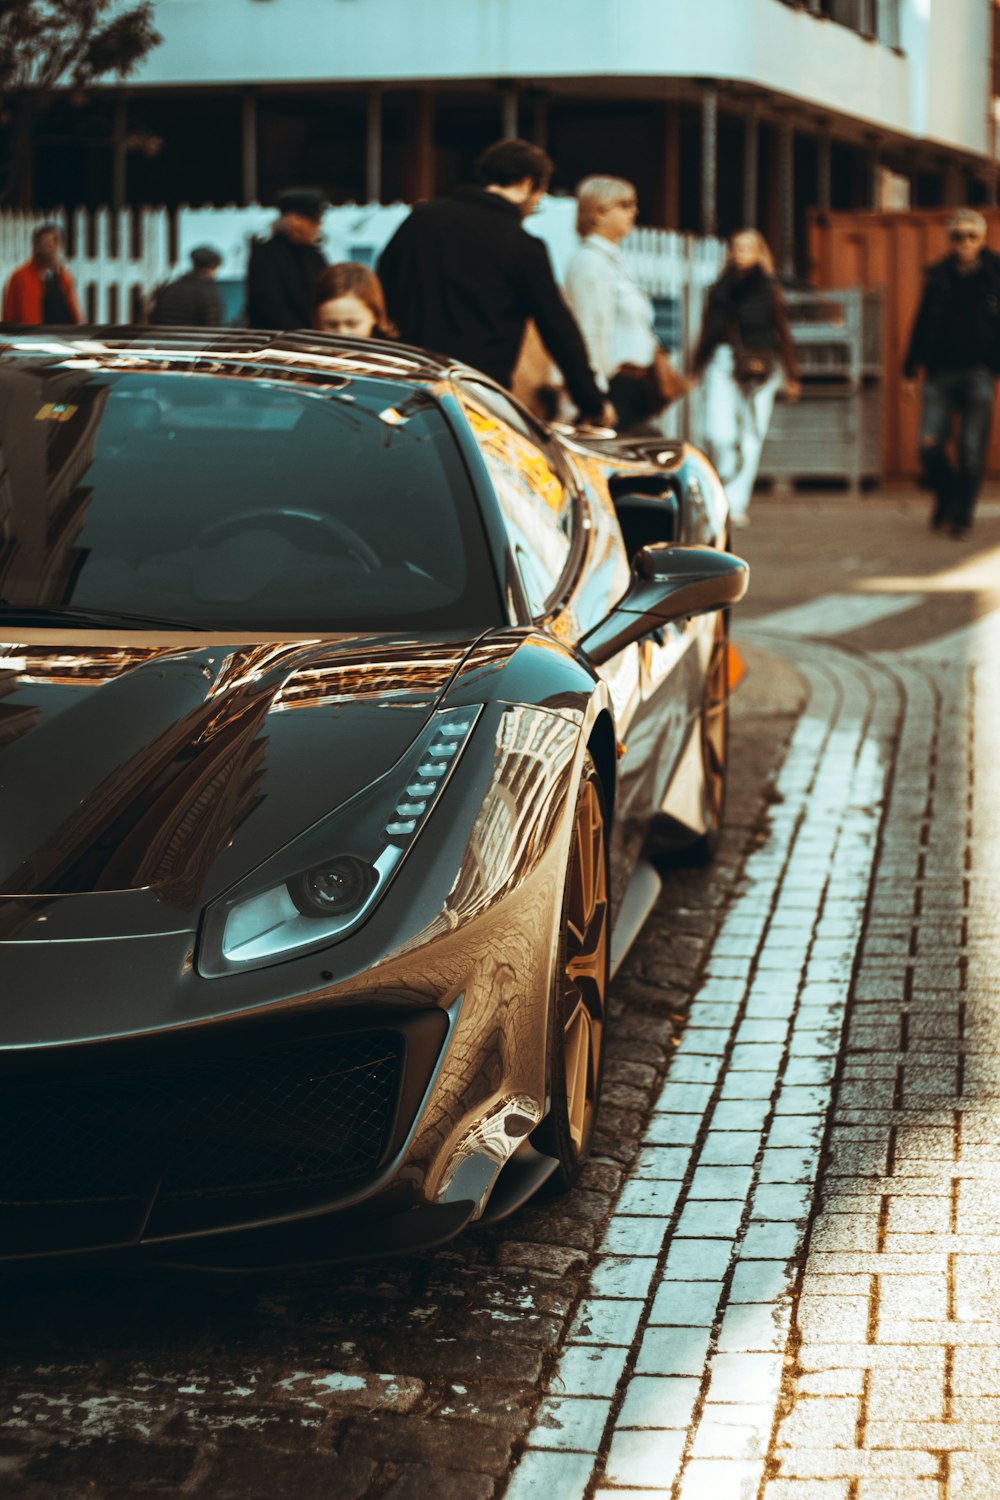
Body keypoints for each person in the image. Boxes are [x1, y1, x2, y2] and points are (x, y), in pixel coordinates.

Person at [377, 138, 610, 425]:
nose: (536, 203)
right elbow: (557, 326)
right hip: (478, 392)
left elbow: (383, 282)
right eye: (540, 194)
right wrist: (592, 401)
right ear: (527, 183)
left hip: (411, 383)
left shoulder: (423, 219)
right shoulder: (523, 246)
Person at [691, 229, 800, 527]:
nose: (740, 251)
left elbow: (782, 331)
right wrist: (694, 368)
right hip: (723, 361)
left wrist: (792, 374)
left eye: (747, 246)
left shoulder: (769, 288)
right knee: (718, 433)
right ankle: (726, 477)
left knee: (752, 435)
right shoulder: (718, 288)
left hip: (760, 367)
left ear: (759, 251)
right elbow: (707, 331)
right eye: (736, 246)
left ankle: (735, 502)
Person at [564, 174, 688, 435]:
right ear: (598, 213)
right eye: (625, 205)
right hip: (612, 387)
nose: (634, 211)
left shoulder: (614, 261)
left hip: (633, 387)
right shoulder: (590, 263)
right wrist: (594, 398)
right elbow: (588, 330)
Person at [902, 208, 1000, 539]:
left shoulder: (996, 274)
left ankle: (962, 515)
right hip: (939, 374)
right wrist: (909, 371)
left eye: (972, 236)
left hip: (979, 374)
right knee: (928, 445)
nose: (965, 243)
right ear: (950, 239)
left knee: (972, 450)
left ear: (983, 238)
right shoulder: (939, 275)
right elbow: (921, 323)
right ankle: (947, 493)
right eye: (959, 236)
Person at [246, 187, 328, 331]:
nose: (318, 227)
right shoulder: (267, 255)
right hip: (281, 343)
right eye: (314, 221)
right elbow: (270, 305)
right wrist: (302, 336)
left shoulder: (315, 255)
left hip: (312, 339)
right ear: (295, 220)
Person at [2, 223, 82, 326]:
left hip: (62, 337)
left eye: (52, 243)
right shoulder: (20, 277)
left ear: (60, 247)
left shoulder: (64, 277)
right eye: (44, 243)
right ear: (35, 246)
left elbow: (75, 314)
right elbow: (9, 316)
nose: (48, 249)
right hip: (32, 338)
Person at [311, 262, 397, 338]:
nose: (342, 334)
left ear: (375, 316)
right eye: (332, 325)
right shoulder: (304, 354)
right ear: (318, 320)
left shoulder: (394, 355)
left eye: (352, 324)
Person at [149, 246, 223, 326]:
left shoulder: (169, 288)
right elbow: (213, 326)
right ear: (211, 267)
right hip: (195, 338)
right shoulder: (209, 293)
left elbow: (154, 318)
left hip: (164, 337)